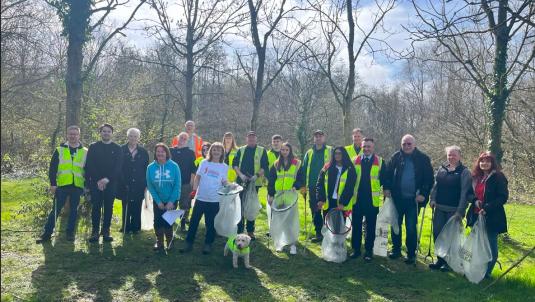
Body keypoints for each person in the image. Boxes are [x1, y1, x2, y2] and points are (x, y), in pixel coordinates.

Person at [385, 134, 434, 264]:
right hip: (397, 199)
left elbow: (429, 179)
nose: (406, 146)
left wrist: (423, 193)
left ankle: (411, 253)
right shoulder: (396, 157)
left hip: (413, 201)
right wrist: (387, 188)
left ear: (414, 144)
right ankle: (396, 249)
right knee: (395, 224)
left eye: (409, 144)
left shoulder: (423, 159)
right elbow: (387, 174)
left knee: (411, 227)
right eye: (404, 144)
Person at [36, 126, 88, 243]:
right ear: (67, 135)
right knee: (56, 210)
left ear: (79, 135)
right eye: (70, 134)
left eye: (75, 134)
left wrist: (86, 186)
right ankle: (46, 234)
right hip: (62, 185)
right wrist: (53, 184)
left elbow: (88, 170)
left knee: (74, 211)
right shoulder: (59, 149)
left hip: (77, 186)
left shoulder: (85, 151)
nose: (73, 136)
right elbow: (52, 169)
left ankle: (70, 234)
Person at [428, 146, 472, 270]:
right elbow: (435, 187)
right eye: (449, 155)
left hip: (454, 210)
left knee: (451, 237)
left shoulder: (464, 172)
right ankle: (440, 260)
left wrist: (460, 211)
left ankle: (449, 262)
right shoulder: (442, 169)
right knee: (437, 233)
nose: (451, 157)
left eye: (454, 155)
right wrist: (432, 199)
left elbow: (465, 193)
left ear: (459, 156)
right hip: (440, 208)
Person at [181, 142, 229, 254]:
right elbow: (197, 177)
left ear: (222, 153)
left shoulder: (224, 166)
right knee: (194, 221)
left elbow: (224, 181)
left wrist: (231, 186)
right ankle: (189, 242)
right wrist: (194, 190)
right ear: (210, 151)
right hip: (201, 198)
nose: (216, 152)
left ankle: (208, 244)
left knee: (210, 223)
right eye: (214, 150)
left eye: (219, 150)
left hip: (214, 199)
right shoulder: (204, 163)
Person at [466, 151, 508, 278]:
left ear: (492, 163)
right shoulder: (475, 177)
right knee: (476, 245)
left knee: (491, 246)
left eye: (487, 161)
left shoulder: (499, 177)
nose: (484, 163)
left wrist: (487, 208)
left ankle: (487, 273)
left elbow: (503, 197)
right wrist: (474, 200)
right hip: (475, 215)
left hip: (492, 216)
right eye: (482, 161)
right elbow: (469, 193)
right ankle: (475, 269)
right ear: (479, 163)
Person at [350, 138, 389, 261]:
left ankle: (368, 250)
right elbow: (349, 181)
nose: (366, 149)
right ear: (361, 147)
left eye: (369, 147)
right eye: (364, 146)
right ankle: (356, 249)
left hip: (372, 201)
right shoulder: (354, 161)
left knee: (371, 227)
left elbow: (385, 180)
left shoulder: (381, 162)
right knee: (355, 226)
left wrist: (386, 192)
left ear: (373, 148)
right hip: (357, 199)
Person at [85, 123, 123, 243]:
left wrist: (107, 179)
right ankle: (95, 232)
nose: (106, 133)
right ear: (100, 133)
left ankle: (106, 231)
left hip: (111, 183)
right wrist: (98, 180)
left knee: (108, 207)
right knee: (96, 206)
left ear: (112, 133)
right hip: (95, 183)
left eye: (108, 131)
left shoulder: (117, 148)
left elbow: (118, 167)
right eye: (104, 131)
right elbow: (90, 165)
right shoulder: (93, 146)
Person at [267, 142, 303, 254]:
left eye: (286, 150)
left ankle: (292, 244)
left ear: (290, 151)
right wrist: (271, 195)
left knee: (290, 222)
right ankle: (279, 243)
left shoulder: (297, 163)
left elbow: (301, 178)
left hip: (290, 197)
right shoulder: (276, 163)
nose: (284, 152)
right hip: (278, 196)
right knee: (278, 221)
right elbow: (271, 181)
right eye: (282, 150)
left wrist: (296, 186)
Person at [233, 131, 269, 240]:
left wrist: (256, 175)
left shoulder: (262, 150)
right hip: (241, 181)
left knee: (250, 206)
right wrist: (241, 175)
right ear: (246, 139)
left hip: (254, 183)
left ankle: (250, 231)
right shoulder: (240, 150)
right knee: (240, 205)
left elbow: (264, 166)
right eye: (249, 138)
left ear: (256, 139)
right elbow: (234, 164)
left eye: (253, 138)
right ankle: (239, 230)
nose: (251, 140)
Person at [146, 143, 181, 250]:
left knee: (168, 221)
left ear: (166, 153)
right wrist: (158, 201)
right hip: (158, 201)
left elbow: (177, 185)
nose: (160, 153)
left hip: (171, 200)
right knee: (157, 221)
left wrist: (171, 201)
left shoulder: (174, 166)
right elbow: (150, 186)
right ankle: (159, 242)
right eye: (158, 151)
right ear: (155, 153)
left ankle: (170, 241)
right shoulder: (150, 167)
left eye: (162, 151)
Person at [300, 130, 332, 242]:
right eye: (316, 136)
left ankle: (328, 233)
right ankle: (319, 233)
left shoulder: (330, 150)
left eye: (320, 136)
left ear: (324, 138)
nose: (318, 138)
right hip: (313, 186)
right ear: (314, 138)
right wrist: (303, 185)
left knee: (327, 210)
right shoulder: (309, 153)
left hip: (328, 186)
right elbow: (304, 169)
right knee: (315, 210)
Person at [117, 128, 149, 235]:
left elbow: (146, 168)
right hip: (124, 182)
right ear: (128, 136)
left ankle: (136, 228)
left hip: (139, 183)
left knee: (137, 204)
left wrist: (145, 183)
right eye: (131, 136)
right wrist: (122, 181)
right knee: (126, 205)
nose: (133, 138)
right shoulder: (121, 149)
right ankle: (125, 227)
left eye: (135, 136)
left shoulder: (143, 152)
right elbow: (118, 167)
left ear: (138, 138)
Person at [316, 146, 357, 222]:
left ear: (344, 155)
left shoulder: (350, 168)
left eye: (340, 153)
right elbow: (320, 183)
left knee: (340, 227)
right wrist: (320, 199)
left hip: (342, 204)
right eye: (335, 154)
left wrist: (343, 203)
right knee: (328, 226)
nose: (337, 155)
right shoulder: (327, 167)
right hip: (328, 202)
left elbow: (350, 188)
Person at [170, 132, 197, 232]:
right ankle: (171, 222)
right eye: (181, 137)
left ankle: (182, 225)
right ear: (177, 138)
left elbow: (193, 169)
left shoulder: (190, 152)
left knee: (184, 205)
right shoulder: (170, 150)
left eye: (185, 138)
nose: (183, 139)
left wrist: (192, 182)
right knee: (172, 203)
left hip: (185, 182)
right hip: (172, 183)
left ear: (187, 140)